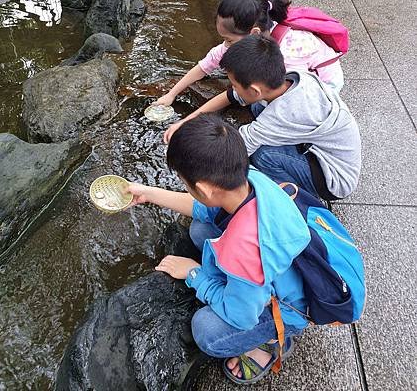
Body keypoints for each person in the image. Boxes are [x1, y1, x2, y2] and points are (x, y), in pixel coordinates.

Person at [128, 115, 311, 384]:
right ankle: (239, 288)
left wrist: (195, 274)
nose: (186, 188)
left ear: (201, 187)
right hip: (274, 270)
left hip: (287, 307)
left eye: (185, 183)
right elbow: (203, 208)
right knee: (200, 229)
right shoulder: (251, 180)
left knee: (207, 331)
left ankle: (271, 342)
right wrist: (147, 193)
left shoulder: (244, 249)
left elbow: (240, 316)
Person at [164, 36, 361, 201]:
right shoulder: (293, 77)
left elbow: (236, 149)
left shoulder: (284, 113)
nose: (231, 88)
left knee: (263, 156)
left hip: (333, 178)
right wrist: (187, 120)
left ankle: (293, 198)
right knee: (258, 106)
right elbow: (230, 97)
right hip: (318, 146)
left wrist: (191, 166)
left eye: (233, 83)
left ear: (254, 89)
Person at [155, 0, 344, 108]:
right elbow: (207, 64)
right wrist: (171, 94)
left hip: (323, 87)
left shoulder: (289, 51)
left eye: (229, 40)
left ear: (253, 33)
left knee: (258, 107)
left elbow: (290, 92)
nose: (225, 45)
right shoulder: (253, 37)